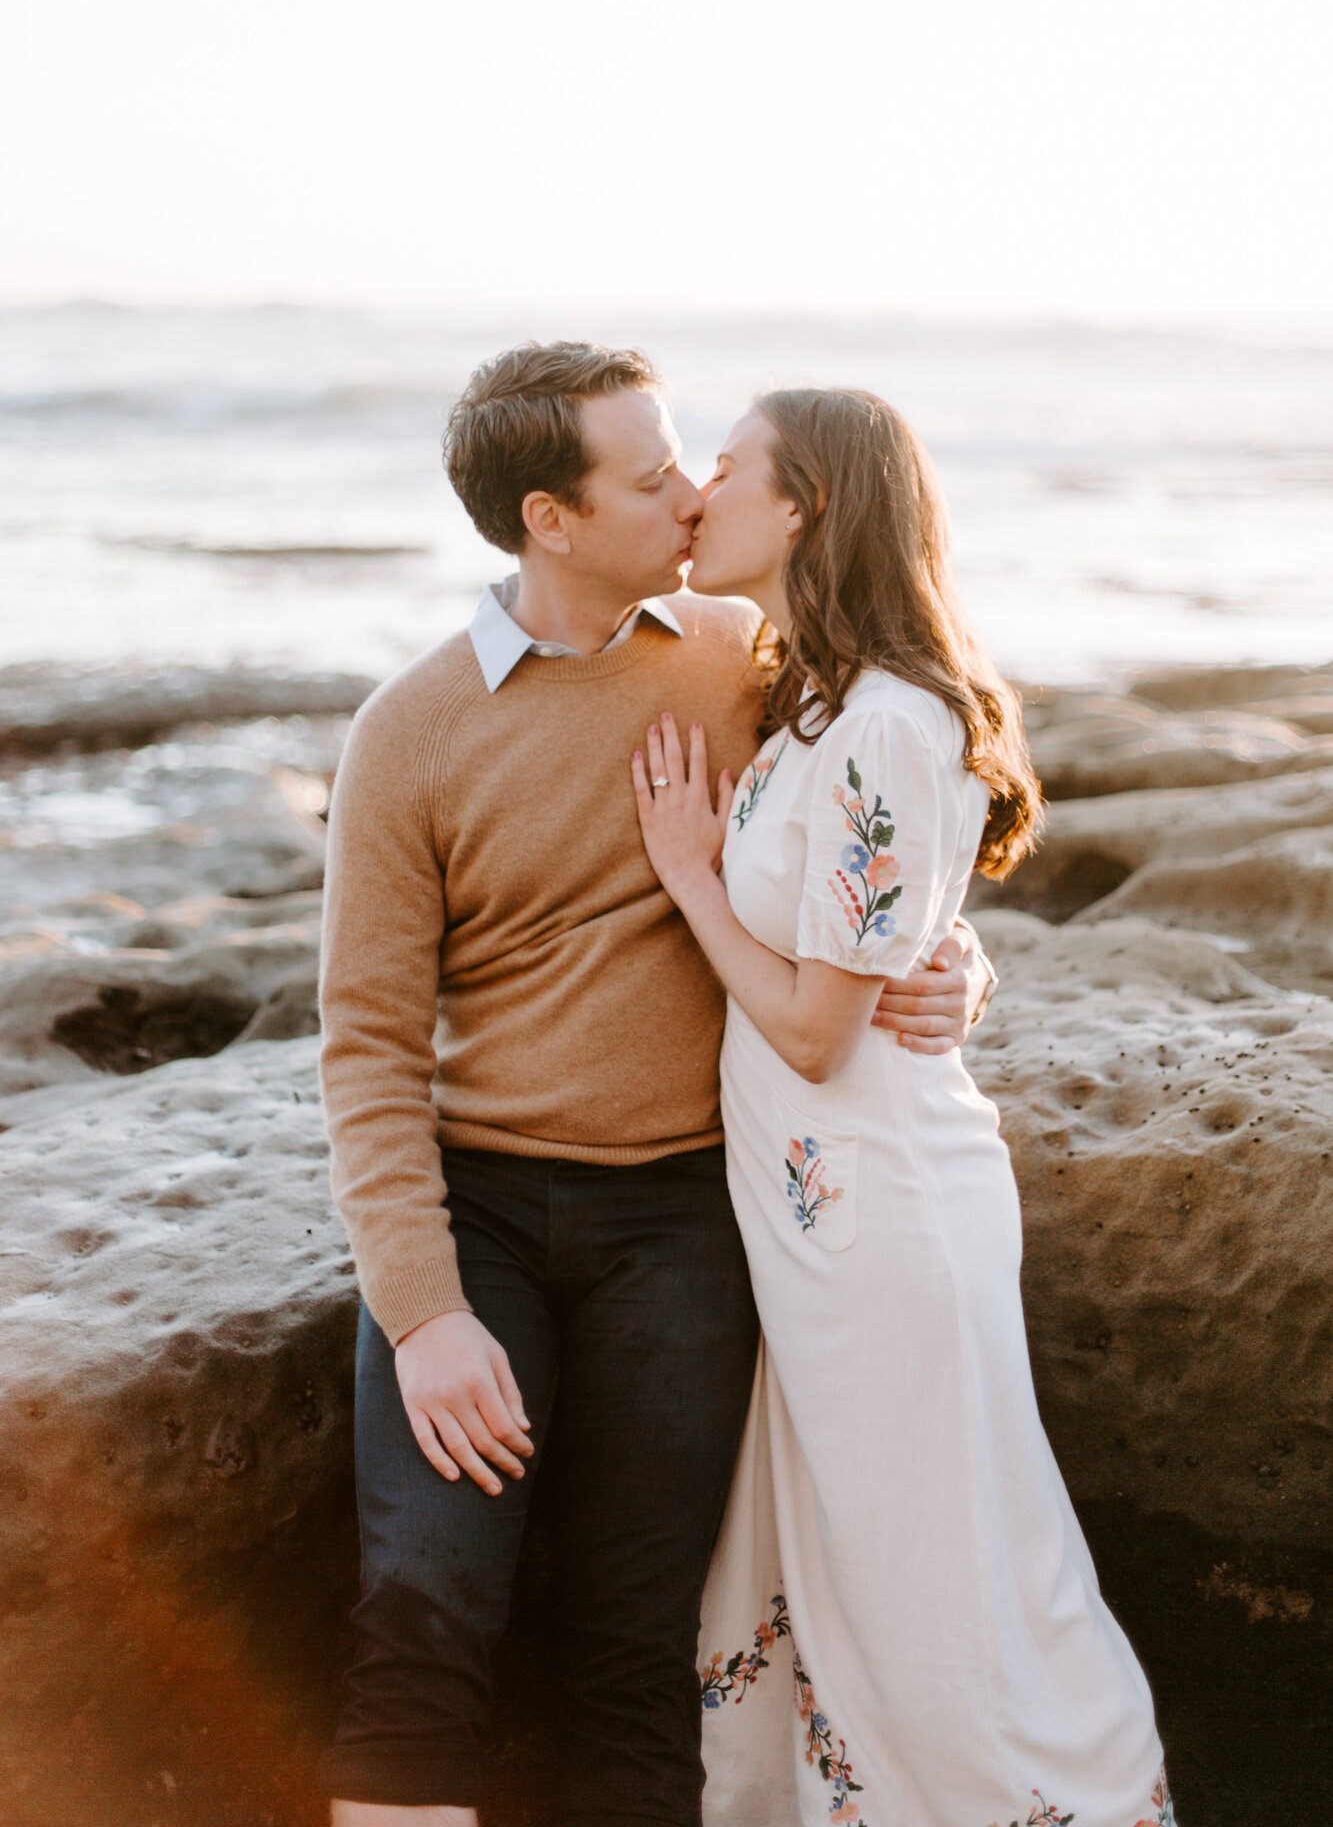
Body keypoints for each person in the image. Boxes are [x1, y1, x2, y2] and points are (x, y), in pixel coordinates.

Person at [316, 342, 995, 1827]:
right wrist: (424, 1314)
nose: (691, 492)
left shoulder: (734, 660)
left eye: (691, 460)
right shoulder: (406, 734)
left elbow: (880, 836)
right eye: (648, 475)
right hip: (478, 1216)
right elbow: (364, 1049)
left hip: (680, 1222)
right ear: (549, 518)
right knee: (422, 1624)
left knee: (637, 1653)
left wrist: (953, 966)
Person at [630, 386, 1174, 1827]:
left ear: (803, 502)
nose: (697, 493)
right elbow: (868, 930)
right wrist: (951, 957)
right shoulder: (804, 695)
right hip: (822, 1213)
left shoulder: (886, 722)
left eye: (728, 468)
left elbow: (814, 1028)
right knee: (860, 1559)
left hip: (877, 1210)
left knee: (943, 1574)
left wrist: (686, 872)